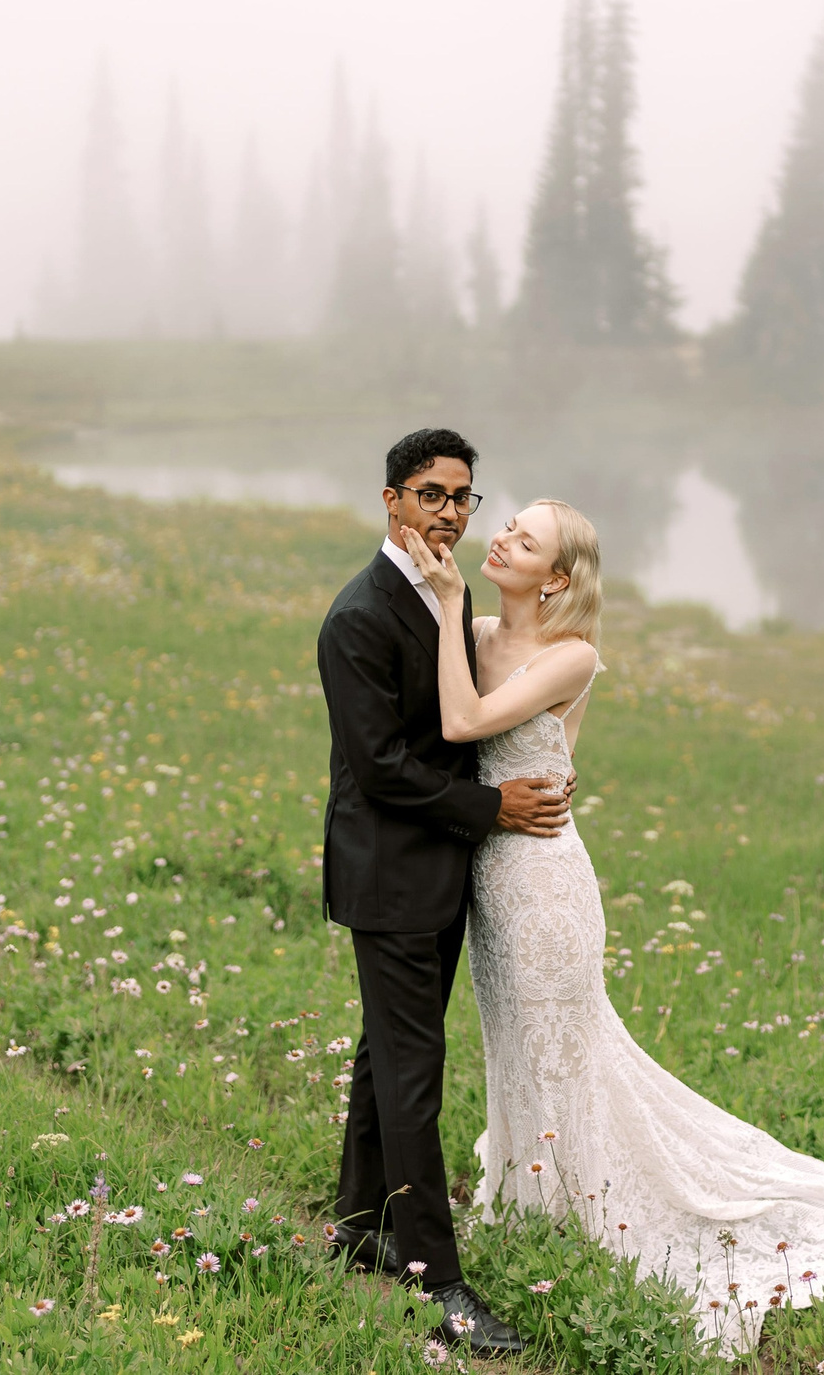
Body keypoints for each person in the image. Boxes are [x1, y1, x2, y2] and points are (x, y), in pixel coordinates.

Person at [401, 497, 824, 1354]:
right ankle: (534, 1197)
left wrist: (439, 605)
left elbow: (464, 721)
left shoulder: (570, 652)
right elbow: (446, 717)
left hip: (545, 882)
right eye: (504, 524)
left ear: (556, 578)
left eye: (525, 537)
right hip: (490, 881)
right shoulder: (471, 631)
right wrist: (442, 612)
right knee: (513, 1042)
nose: (500, 536)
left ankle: (588, 1208)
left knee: (565, 1044)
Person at [316, 427, 570, 1356]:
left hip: (439, 870)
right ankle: (439, 1280)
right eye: (432, 494)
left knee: (389, 1053)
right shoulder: (358, 616)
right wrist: (491, 805)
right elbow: (380, 770)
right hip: (389, 875)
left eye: (463, 497)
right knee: (415, 1073)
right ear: (391, 499)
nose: (452, 513)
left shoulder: (441, 594)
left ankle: (358, 1226)